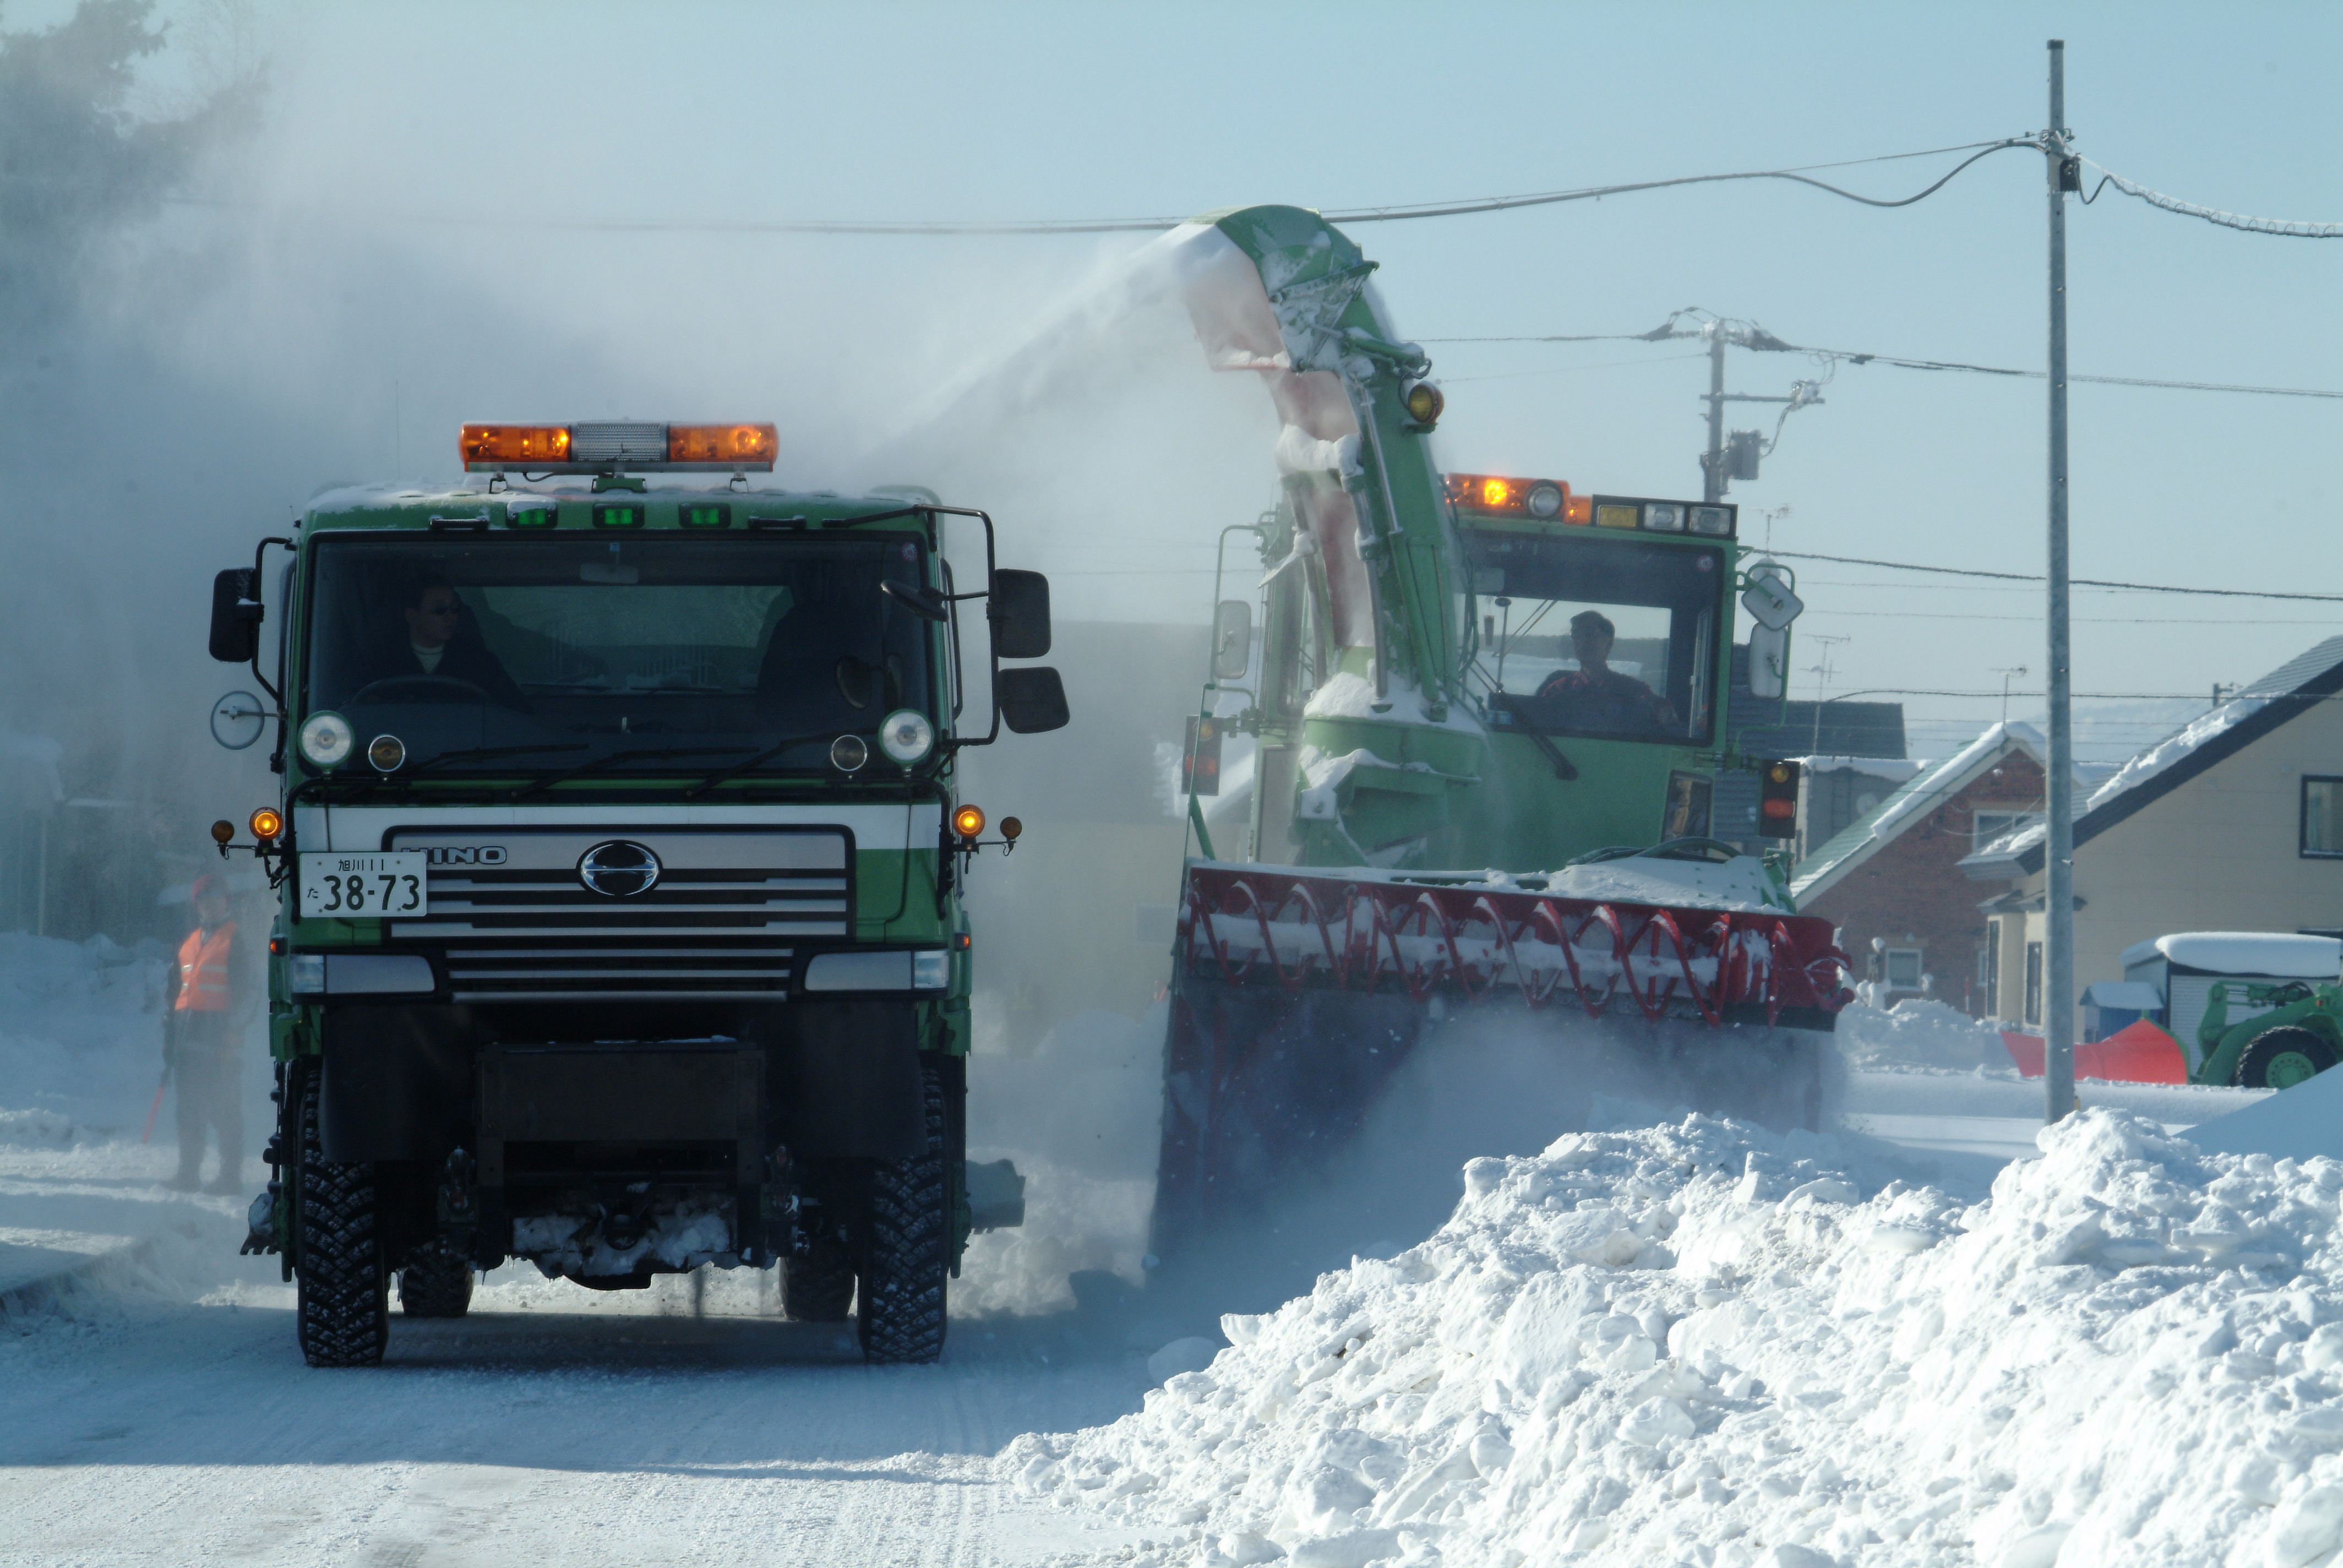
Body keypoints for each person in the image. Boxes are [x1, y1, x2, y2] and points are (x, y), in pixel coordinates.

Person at [165, 873, 255, 1194]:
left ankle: (230, 1178)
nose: (210, 904)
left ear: (227, 901)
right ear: (197, 905)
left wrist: (233, 1036)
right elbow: (176, 992)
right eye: (203, 898)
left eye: (216, 897)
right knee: (188, 1111)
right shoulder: (190, 943)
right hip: (188, 1041)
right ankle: (187, 1175)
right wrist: (169, 1036)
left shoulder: (235, 939)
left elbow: (249, 995)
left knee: (224, 1109)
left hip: (220, 1043)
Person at [367, 578, 527, 707]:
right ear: (412, 616)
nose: (450, 617)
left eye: (455, 609)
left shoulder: (480, 663)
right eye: (440, 610)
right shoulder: (378, 661)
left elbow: (516, 710)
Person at [1533, 609, 1676, 735]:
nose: (1582, 641)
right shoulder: (1558, 690)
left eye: (1589, 634)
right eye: (1576, 635)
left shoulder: (1633, 690)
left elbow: (1665, 714)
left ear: (1609, 643)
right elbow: (1536, 724)